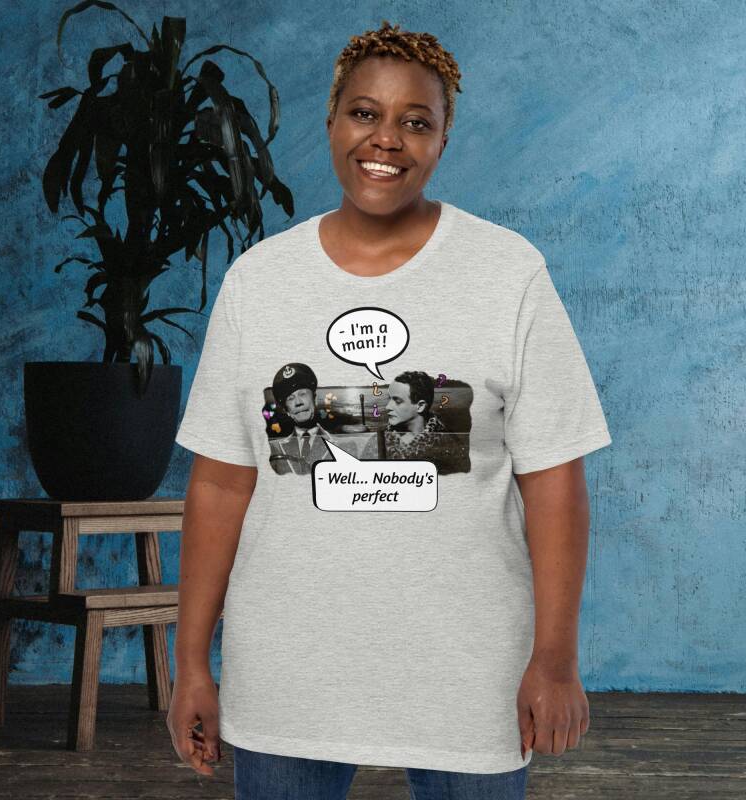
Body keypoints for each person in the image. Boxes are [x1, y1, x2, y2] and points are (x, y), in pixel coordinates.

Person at [168, 19, 612, 800]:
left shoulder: (507, 274)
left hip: (470, 672)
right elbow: (220, 485)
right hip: (288, 674)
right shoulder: (257, 282)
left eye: (417, 121)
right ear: (332, 121)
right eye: (365, 113)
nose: (387, 139)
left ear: (443, 140)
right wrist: (192, 663)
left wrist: (555, 659)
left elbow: (553, 482)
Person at [360, 369, 469, 473]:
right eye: (390, 399)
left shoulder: (448, 445)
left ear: (420, 406)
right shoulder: (378, 441)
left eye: (397, 401)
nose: (388, 406)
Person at [267, 362, 355, 474]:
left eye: (302, 394)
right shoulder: (275, 449)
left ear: (315, 399)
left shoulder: (343, 446)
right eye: (290, 398)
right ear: (286, 410)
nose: (298, 402)